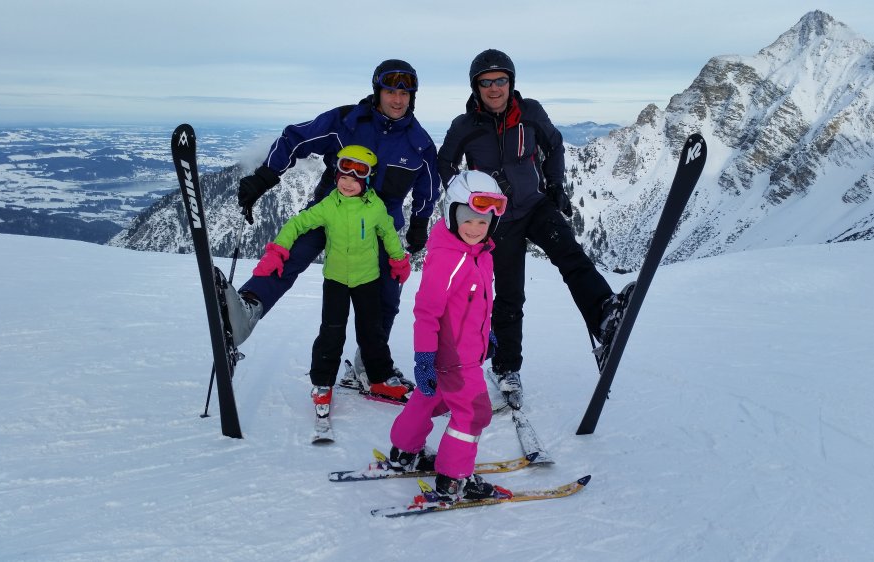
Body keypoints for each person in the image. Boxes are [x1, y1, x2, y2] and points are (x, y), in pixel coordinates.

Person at [223, 58, 440, 389]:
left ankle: (369, 366)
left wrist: (419, 225)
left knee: (386, 298)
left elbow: (428, 189)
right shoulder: (346, 122)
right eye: (390, 91)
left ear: (412, 97)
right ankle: (249, 307)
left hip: (378, 224)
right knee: (292, 253)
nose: (397, 100)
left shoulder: (419, 144)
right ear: (377, 91)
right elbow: (296, 139)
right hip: (330, 208)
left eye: (404, 93)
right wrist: (266, 176)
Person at [436, 49, 626, 409]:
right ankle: (507, 368)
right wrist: (467, 198)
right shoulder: (464, 126)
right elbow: (444, 163)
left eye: (501, 80)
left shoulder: (531, 113)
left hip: (536, 205)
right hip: (497, 218)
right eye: (486, 82)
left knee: (569, 253)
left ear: (511, 83)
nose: (494, 88)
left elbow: (554, 146)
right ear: (476, 88)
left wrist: (555, 185)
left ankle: (604, 314)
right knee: (510, 295)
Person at [253, 145, 413, 412]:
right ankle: (323, 383)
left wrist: (398, 260)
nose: (348, 184)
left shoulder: (375, 208)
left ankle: (379, 378)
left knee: (372, 331)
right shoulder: (328, 205)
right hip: (336, 280)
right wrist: (278, 249)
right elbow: (297, 224)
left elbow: (388, 234)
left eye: (355, 179)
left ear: (367, 181)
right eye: (344, 177)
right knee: (331, 331)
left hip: (367, 280)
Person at [387, 170, 506, 500]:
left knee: (430, 398)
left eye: (483, 222)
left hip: (459, 350)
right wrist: (424, 356)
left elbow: (477, 304)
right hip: (456, 357)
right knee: (474, 412)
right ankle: (454, 478)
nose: (475, 229)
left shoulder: (479, 254)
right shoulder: (449, 258)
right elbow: (427, 312)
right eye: (468, 220)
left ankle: (404, 451)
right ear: (451, 213)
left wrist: (486, 334)